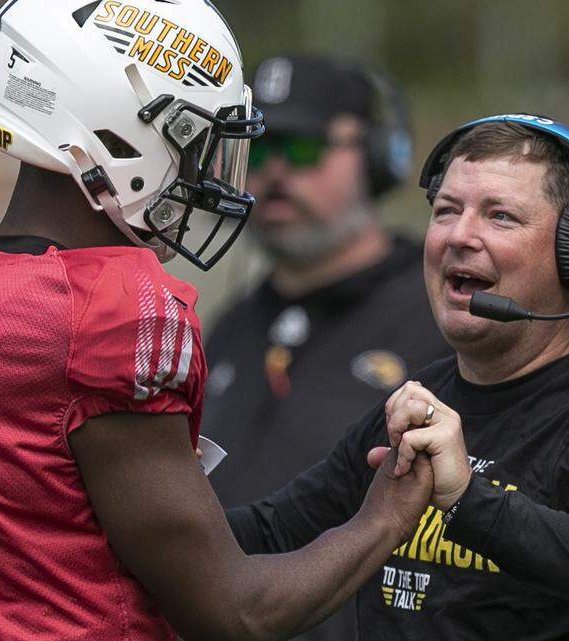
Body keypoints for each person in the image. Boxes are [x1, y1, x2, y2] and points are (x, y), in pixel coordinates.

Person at [0, 2, 433, 640]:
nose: (207, 175)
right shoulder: (109, 308)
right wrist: (385, 516)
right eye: (193, 143)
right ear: (120, 137)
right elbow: (238, 611)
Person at [226, 115, 569, 641]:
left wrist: (469, 500)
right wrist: (168, 487)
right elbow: (269, 533)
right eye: (446, 211)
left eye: (500, 216)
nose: (459, 236)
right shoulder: (416, 402)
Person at [201, 54, 449, 641]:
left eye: (303, 147)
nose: (275, 170)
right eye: (257, 149)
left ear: (378, 156)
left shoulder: (441, 316)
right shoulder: (229, 325)